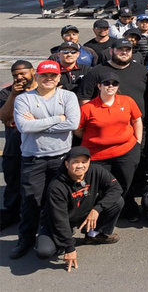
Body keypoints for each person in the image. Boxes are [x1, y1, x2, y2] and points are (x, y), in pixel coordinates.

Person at [11, 60, 80, 259]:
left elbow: (73, 123)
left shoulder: (68, 96)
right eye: (44, 75)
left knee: (59, 200)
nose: (48, 79)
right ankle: (25, 239)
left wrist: (39, 124)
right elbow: (24, 126)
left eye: (53, 75)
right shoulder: (24, 99)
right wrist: (58, 119)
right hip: (33, 159)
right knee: (30, 201)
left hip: (61, 158)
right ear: (37, 76)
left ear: (58, 77)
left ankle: (59, 235)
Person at [36, 146, 124, 268]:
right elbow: (59, 220)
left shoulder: (96, 171)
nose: (80, 166)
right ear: (67, 164)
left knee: (117, 201)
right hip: (58, 221)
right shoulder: (56, 186)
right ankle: (62, 239)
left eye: (84, 162)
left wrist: (97, 209)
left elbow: (116, 189)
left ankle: (93, 235)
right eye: (75, 162)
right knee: (44, 252)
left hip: (84, 214)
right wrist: (69, 248)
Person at [75, 70, 142, 220]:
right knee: (104, 187)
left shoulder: (127, 101)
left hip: (126, 151)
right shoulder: (88, 108)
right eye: (106, 83)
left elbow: (137, 120)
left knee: (126, 184)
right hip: (98, 156)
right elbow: (78, 130)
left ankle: (128, 209)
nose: (110, 86)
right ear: (99, 86)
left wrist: (138, 142)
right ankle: (105, 213)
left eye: (114, 83)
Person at [0, 60, 36, 230]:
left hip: (37, 147)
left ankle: (37, 215)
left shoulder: (42, 90)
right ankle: (11, 213)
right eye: (15, 75)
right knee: (13, 181)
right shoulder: (6, 93)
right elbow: (4, 118)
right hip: (14, 146)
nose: (19, 77)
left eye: (23, 73)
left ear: (33, 72)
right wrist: (14, 95)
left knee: (35, 184)